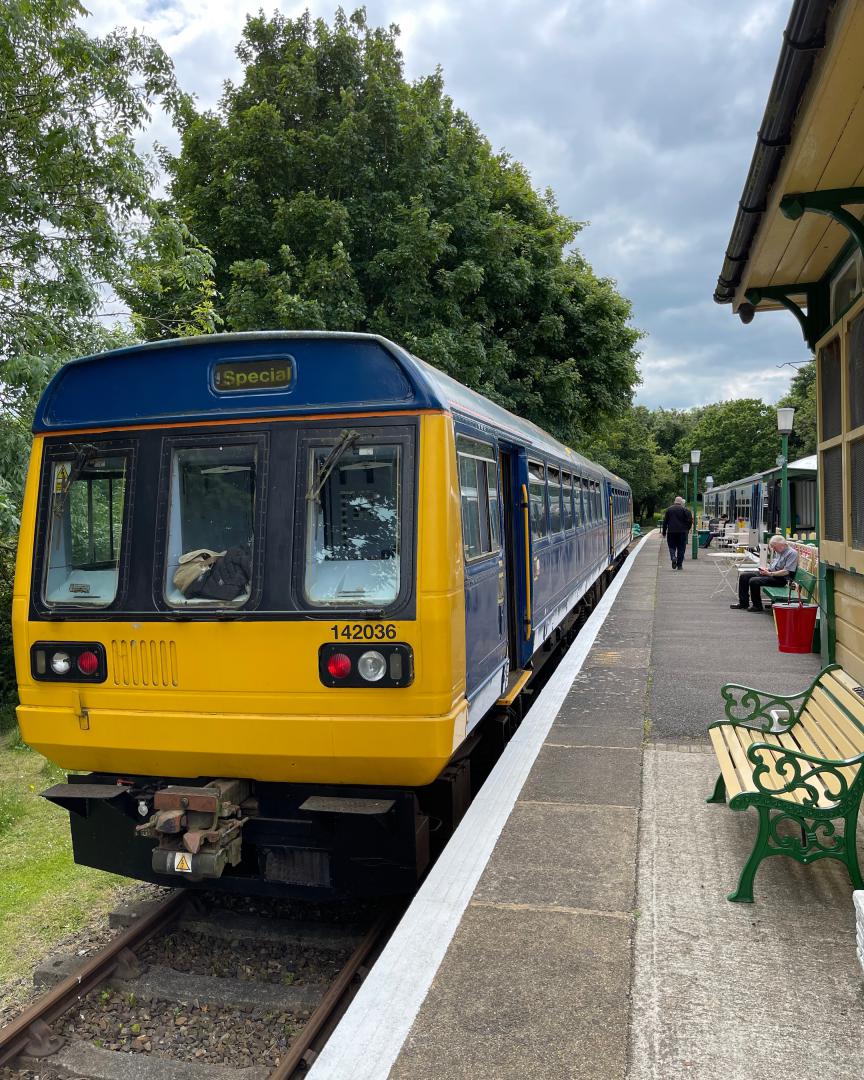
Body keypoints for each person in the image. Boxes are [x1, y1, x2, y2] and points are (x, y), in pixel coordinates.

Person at [730, 536, 798, 612]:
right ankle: (743, 603)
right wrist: (767, 570)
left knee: (754, 580)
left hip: (781, 579)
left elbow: (787, 571)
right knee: (744, 576)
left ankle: (757, 606)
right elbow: (775, 565)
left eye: (774, 547)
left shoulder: (792, 553)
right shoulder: (779, 551)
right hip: (772, 574)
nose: (773, 549)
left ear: (782, 545)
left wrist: (770, 573)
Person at [661, 496, 692, 570]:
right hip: (682, 532)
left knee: (671, 546)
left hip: (671, 531)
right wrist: (687, 529)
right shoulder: (686, 510)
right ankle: (679, 565)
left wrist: (664, 532)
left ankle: (673, 557)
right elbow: (690, 521)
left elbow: (665, 522)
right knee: (681, 548)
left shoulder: (669, 510)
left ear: (674, 501)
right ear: (681, 502)